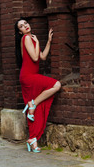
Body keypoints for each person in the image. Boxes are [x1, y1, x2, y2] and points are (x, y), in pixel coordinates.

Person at [15, 18, 61, 153]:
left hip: (29, 76)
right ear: (20, 31)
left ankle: (32, 139)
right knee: (56, 85)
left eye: (26, 23)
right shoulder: (26, 38)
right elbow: (35, 58)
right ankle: (32, 103)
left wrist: (48, 41)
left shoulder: (31, 39)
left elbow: (42, 56)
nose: (25, 26)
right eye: (22, 26)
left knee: (36, 111)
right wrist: (38, 42)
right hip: (29, 77)